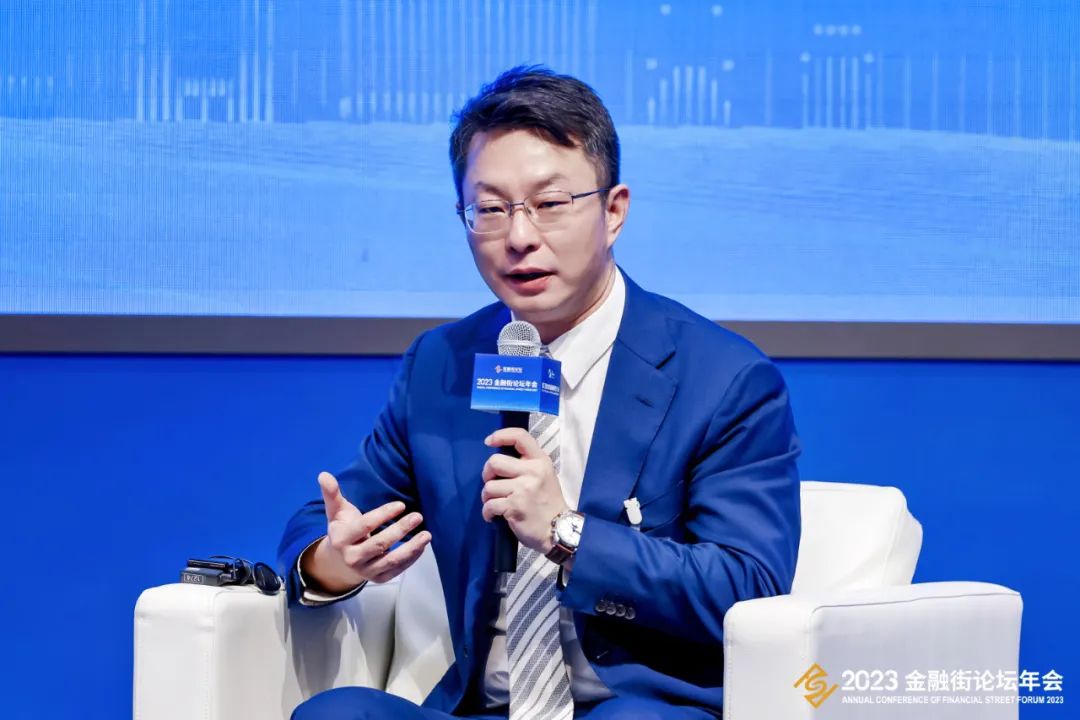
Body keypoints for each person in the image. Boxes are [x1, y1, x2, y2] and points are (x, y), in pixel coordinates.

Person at [279, 65, 801, 720]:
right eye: (490, 209)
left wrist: (567, 533)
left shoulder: (723, 379)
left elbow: (747, 587)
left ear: (614, 211)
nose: (519, 237)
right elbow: (328, 518)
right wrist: (334, 560)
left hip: (634, 709)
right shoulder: (442, 364)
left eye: (550, 205)